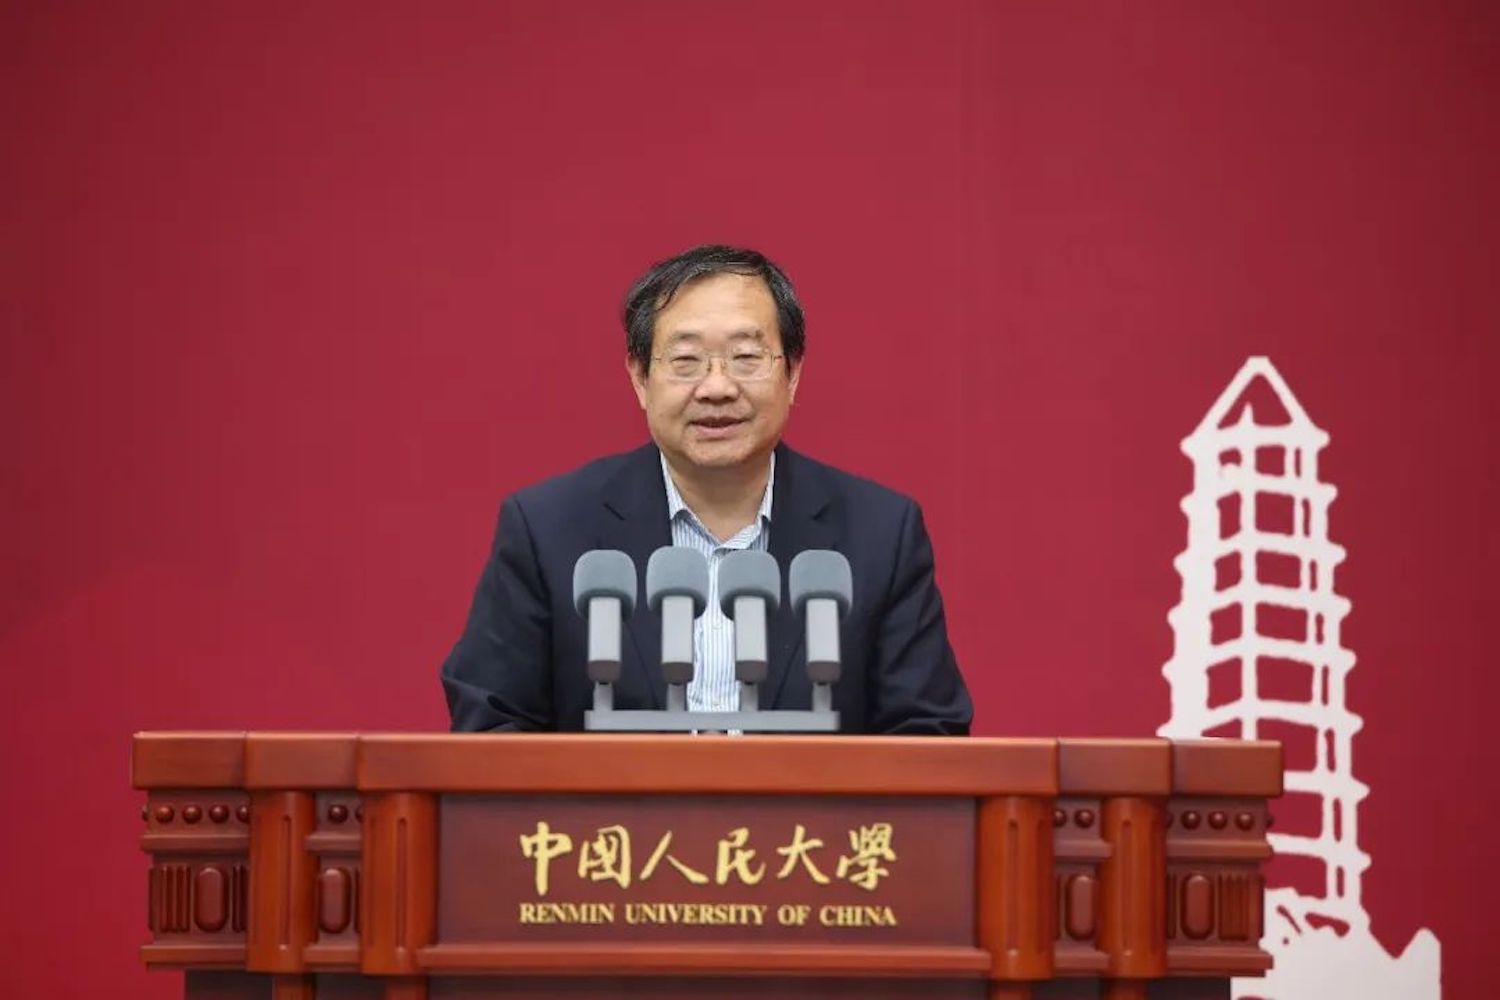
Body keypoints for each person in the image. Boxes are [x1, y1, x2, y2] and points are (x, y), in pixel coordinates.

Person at [441, 245, 971, 734]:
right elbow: (490, 727)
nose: (717, 387)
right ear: (640, 378)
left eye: (746, 358)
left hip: (806, 814)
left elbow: (928, 738)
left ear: (792, 374)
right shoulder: (547, 530)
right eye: (686, 361)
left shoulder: (880, 535)